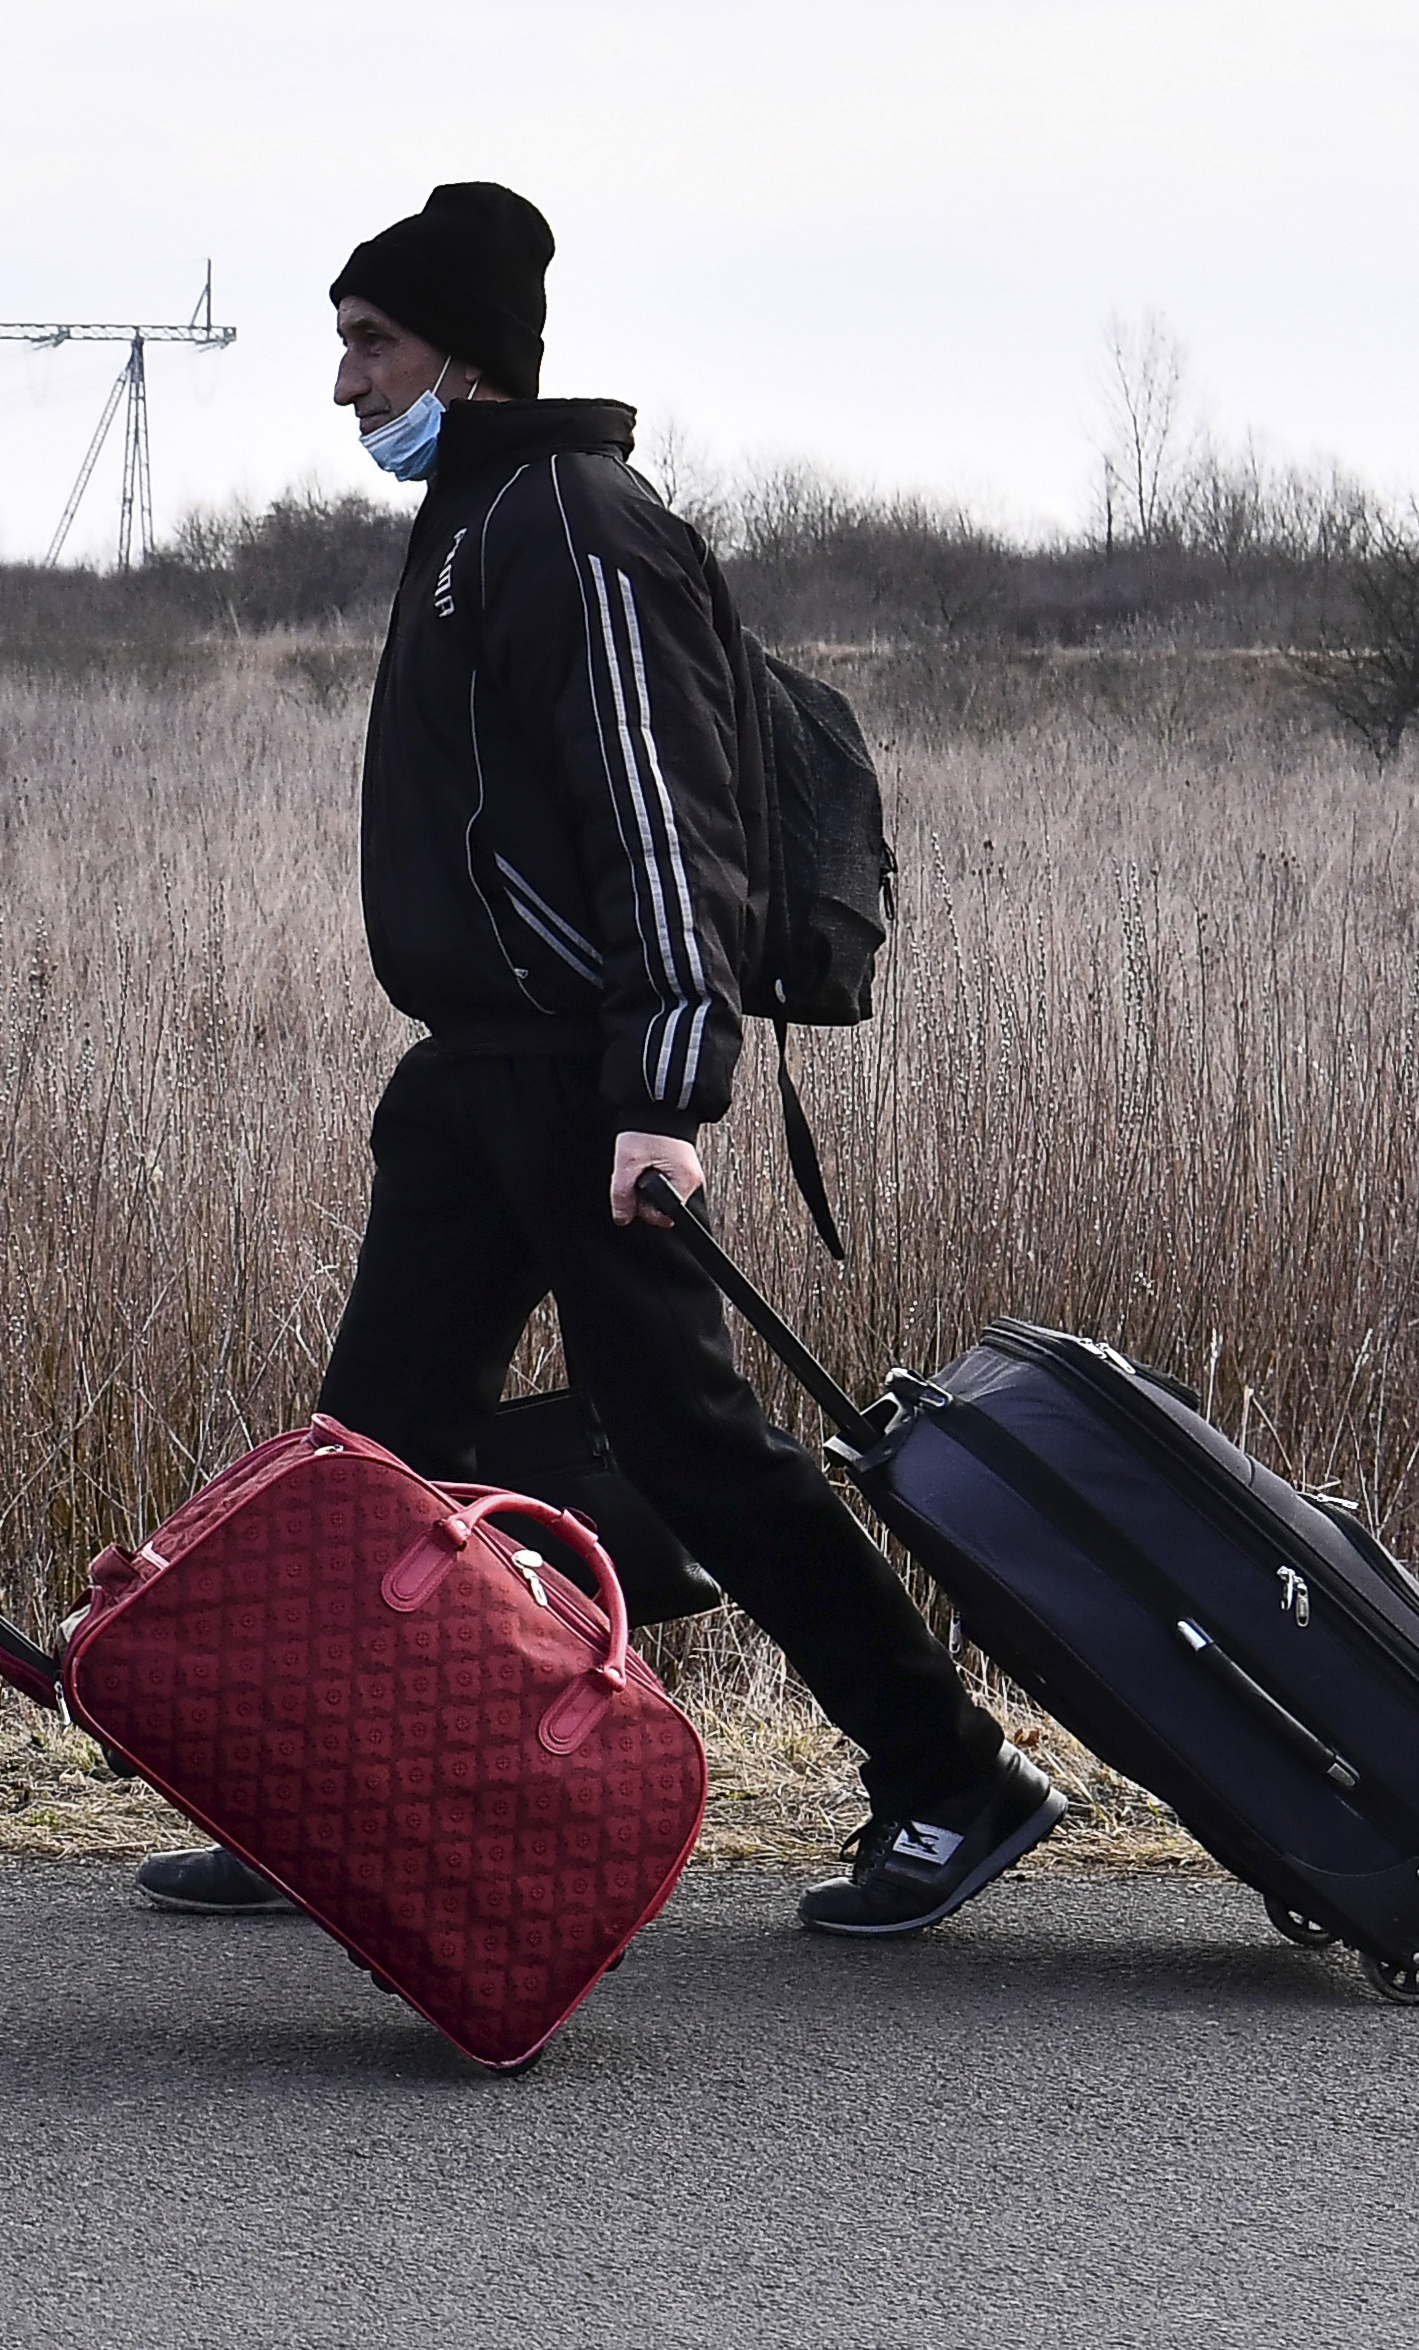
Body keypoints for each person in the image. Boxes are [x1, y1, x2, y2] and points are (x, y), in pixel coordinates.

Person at [132, 184, 1063, 1935]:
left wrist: (666, 1088)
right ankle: (311, 1803)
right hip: (474, 1076)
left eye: (372, 345)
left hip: (581, 1078)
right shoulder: (482, 515)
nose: (346, 385)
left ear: (464, 360)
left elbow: (666, 820)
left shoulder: (573, 520)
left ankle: (951, 1774)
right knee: (373, 1452)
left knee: (698, 1441)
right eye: (345, 343)